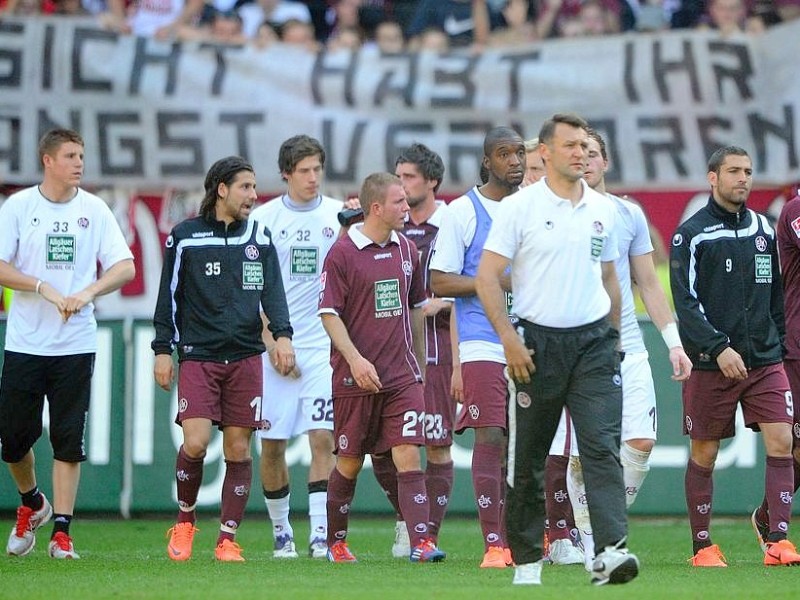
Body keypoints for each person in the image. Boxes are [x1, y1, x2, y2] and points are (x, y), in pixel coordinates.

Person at [475, 113, 639, 587]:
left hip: (593, 345)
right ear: (543, 153)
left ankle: (610, 550)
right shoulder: (519, 208)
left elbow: (609, 277)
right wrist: (508, 339)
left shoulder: (604, 210)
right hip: (535, 345)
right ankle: (526, 562)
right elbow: (487, 278)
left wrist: (613, 339)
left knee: (601, 449)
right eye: (570, 145)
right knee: (527, 458)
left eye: (586, 146)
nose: (581, 153)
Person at [556, 129, 692, 570]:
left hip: (629, 346)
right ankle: (594, 538)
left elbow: (648, 283)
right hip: (576, 349)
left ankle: (593, 527)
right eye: (581, 153)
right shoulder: (556, 211)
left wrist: (673, 343)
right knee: (581, 453)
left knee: (641, 443)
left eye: (594, 154)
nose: (587, 160)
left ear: (606, 162)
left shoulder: (628, 214)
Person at [0, 128, 135, 559]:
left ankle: (62, 530)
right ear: (48, 161)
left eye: (81, 155)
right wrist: (44, 287)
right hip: (25, 342)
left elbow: (125, 266)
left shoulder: (94, 210)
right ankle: (32, 502)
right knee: (14, 439)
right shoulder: (20, 206)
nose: (79, 163)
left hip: (75, 344)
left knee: (67, 438)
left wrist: (87, 292)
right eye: (71, 156)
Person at [152, 155, 294, 562]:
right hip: (199, 356)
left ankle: (227, 539)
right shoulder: (185, 237)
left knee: (238, 450)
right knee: (195, 444)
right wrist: (163, 350)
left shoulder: (260, 238)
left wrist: (282, 336)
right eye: (246, 187)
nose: (253, 195)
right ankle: (184, 521)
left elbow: (274, 295)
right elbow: (169, 298)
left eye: (254, 187)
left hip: (246, 358)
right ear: (222, 190)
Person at [670, 146, 800, 567]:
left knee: (783, 440)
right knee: (704, 453)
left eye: (748, 170)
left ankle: (777, 540)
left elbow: (776, 297)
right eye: (733, 171)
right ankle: (702, 546)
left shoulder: (763, 228)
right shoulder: (691, 235)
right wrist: (717, 347)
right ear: (713, 177)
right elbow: (685, 303)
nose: (743, 178)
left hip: (764, 361)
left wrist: (775, 344)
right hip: (712, 365)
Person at [318, 172, 445, 564]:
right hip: (354, 377)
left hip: (402, 376)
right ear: (376, 208)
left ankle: (421, 542)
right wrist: (355, 360)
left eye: (407, 201)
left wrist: (419, 366)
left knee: (409, 454)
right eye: (399, 202)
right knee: (350, 462)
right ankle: (336, 542)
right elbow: (328, 313)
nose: (407, 208)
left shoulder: (408, 250)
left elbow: (416, 309)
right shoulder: (342, 253)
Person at [429, 126, 526, 569]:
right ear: (487, 161)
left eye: (519, 153)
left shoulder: (537, 208)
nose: (515, 161)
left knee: (531, 444)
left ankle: (541, 536)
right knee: (492, 434)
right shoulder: (461, 213)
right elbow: (439, 280)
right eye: (504, 154)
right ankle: (495, 543)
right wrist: (492, 282)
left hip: (535, 339)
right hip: (482, 339)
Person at [248, 135, 341, 560]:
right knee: (273, 444)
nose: (312, 178)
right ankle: (282, 531)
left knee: (323, 438)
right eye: (304, 171)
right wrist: (271, 341)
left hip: (323, 345)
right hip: (274, 346)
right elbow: (255, 287)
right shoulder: (264, 220)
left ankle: (320, 533)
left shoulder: (339, 215)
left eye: (317, 169)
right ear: (286, 174)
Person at [370, 143, 454, 558]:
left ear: (432, 182)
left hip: (438, 349)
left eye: (409, 178)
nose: (401, 186)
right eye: (397, 178)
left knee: (436, 442)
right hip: (389, 351)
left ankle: (425, 535)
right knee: (382, 444)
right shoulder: (390, 228)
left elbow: (475, 279)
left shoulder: (452, 223)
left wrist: (446, 301)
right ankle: (407, 518)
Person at [765, 190, 800, 552]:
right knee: (796, 447)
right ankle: (769, 520)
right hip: (797, 348)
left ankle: (769, 518)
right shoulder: (795, 210)